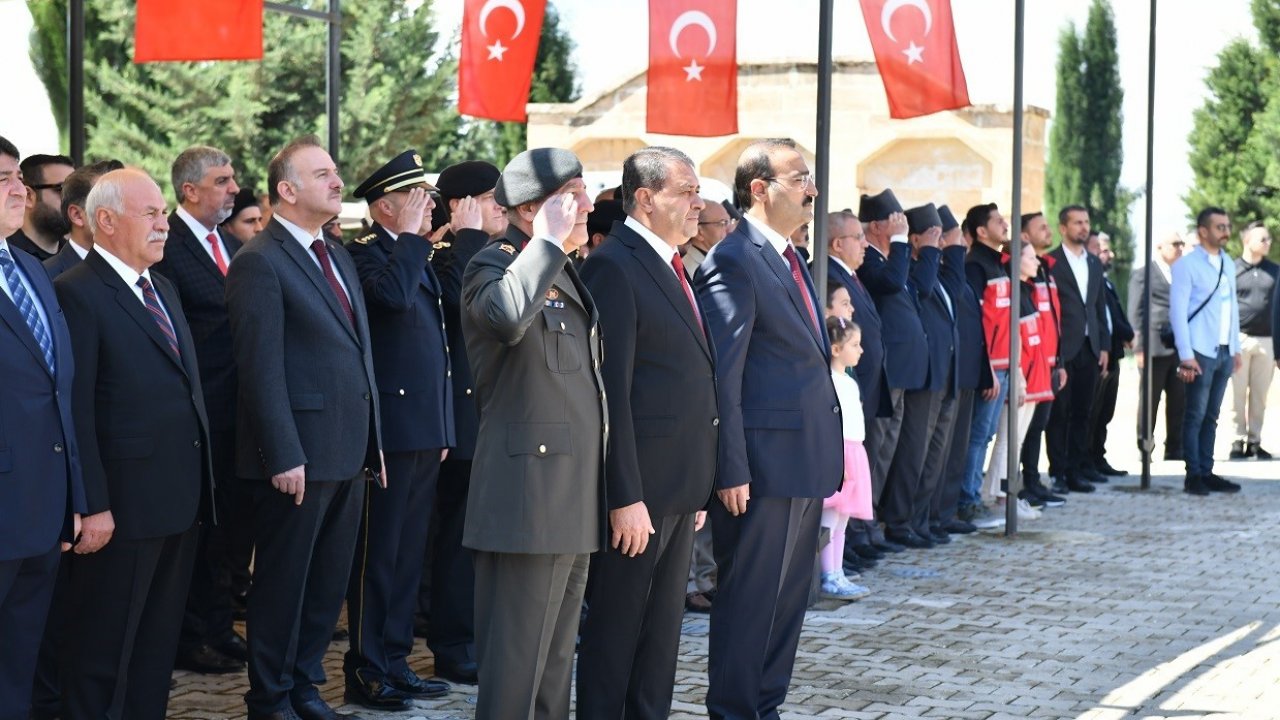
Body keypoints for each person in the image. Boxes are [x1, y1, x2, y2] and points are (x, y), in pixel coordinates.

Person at [225, 136, 384, 720]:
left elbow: (359, 354)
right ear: (286, 190)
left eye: (336, 171)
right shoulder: (260, 261)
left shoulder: (337, 254)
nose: (338, 182)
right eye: (323, 174)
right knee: (284, 585)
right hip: (299, 457)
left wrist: (375, 443)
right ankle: (269, 698)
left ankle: (303, 686)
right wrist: (281, 453)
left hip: (348, 450)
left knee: (325, 587)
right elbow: (259, 370)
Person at [54, 168, 213, 720]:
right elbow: (74, 410)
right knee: (103, 655)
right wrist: (91, 502)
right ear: (105, 220)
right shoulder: (76, 293)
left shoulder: (161, 287)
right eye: (150, 213)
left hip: (175, 504)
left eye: (164, 213)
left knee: (152, 654)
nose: (164, 224)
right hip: (118, 511)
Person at [694, 138, 842, 720]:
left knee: (786, 604)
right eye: (800, 177)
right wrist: (730, 467)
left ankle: (765, 706)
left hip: (800, 460)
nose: (812, 188)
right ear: (759, 188)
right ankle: (734, 710)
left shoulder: (789, 257)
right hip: (760, 468)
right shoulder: (734, 260)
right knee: (750, 602)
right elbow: (722, 378)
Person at [460, 148, 605, 720]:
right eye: (573, 193)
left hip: (569, 496)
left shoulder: (561, 268)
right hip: (527, 502)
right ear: (529, 208)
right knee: (516, 667)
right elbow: (504, 318)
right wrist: (545, 242)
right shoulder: (491, 265)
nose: (588, 204)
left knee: (551, 670)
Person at [576, 146, 718, 720]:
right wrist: (625, 495)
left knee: (661, 639)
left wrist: (697, 484)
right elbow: (611, 393)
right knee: (617, 635)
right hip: (638, 495)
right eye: (685, 191)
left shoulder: (670, 262)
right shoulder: (616, 265)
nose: (697, 203)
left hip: (678, 489)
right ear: (645, 198)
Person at [340, 150, 454, 710]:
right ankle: (364, 667)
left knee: (409, 553)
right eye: (419, 197)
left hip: (422, 428)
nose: (431, 205)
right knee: (377, 555)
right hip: (388, 429)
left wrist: (443, 426)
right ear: (387, 205)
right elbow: (389, 300)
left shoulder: (416, 253)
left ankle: (394, 658)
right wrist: (411, 239)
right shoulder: (364, 254)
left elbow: (437, 352)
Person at [152, 145, 249, 676]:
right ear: (188, 191)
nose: (234, 188)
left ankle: (217, 628)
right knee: (200, 534)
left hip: (236, 415)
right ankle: (192, 637)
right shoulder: (167, 244)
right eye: (223, 180)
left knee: (229, 532)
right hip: (199, 416)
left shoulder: (229, 244)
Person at [0, 136, 83, 720]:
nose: (19, 191)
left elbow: (60, 391)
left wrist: (74, 495)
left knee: (18, 665)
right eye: (2, 178)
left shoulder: (30, 268)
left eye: (18, 179)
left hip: (42, 506)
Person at [423, 159, 507, 686]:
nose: (501, 206)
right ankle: (454, 643)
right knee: (457, 538)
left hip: (495, 417)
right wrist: (469, 234)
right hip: (460, 417)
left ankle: (480, 633)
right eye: (490, 197)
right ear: (461, 205)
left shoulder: (495, 250)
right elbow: (467, 304)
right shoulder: (446, 253)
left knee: (486, 536)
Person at [856, 189, 929, 550]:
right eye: (894, 220)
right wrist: (902, 241)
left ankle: (871, 524)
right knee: (874, 449)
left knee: (885, 451)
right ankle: (861, 527)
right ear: (875, 226)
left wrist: (901, 245)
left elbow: (914, 287)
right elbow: (890, 284)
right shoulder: (869, 257)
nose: (901, 225)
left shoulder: (890, 256)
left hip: (901, 369)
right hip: (885, 371)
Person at [1171, 207, 1243, 496]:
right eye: (1219, 227)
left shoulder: (1227, 262)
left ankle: (1207, 469)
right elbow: (1178, 313)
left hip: (1225, 349)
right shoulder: (1186, 265)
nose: (1225, 231)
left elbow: (1232, 307)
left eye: (1226, 226)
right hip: (1199, 350)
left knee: (1212, 415)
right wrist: (1186, 353)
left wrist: (1235, 347)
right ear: (1203, 231)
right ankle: (1193, 475)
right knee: (1195, 414)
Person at [1045, 205, 1111, 493]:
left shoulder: (1094, 263)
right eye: (1077, 223)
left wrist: (1105, 346)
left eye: (1086, 222)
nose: (1083, 228)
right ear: (1063, 228)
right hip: (1061, 347)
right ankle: (1058, 472)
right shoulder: (1050, 261)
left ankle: (1076, 469)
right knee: (1059, 412)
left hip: (1090, 346)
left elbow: (1098, 307)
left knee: (1084, 411)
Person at [931, 205, 987, 535]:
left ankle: (946, 511)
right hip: (947, 372)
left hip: (963, 371)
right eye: (952, 239)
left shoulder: (958, 275)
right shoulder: (937, 273)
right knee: (941, 450)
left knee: (957, 449)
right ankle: (935, 513)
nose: (959, 246)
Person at [962, 203, 1012, 528]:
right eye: (997, 221)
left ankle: (972, 496)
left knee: (987, 434)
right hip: (990, 367)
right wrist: (988, 369)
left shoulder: (998, 264)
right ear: (981, 231)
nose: (1005, 224)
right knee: (978, 435)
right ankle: (967, 501)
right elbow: (977, 323)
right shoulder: (976, 266)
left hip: (1004, 365)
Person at [1015, 212, 1067, 508]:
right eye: (1042, 228)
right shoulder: (1026, 276)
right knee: (1028, 428)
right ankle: (1025, 484)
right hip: (1032, 364)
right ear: (1024, 236)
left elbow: (1053, 321)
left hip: (1049, 362)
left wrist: (1058, 361)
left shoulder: (1047, 269)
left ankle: (1034, 480)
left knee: (1039, 425)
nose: (1048, 232)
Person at [819, 317, 873, 601]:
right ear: (836, 349)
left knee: (842, 520)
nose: (861, 350)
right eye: (854, 344)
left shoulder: (849, 382)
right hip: (840, 453)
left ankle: (836, 570)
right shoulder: (829, 382)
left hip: (854, 451)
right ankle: (827, 574)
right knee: (830, 518)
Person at [1129, 231, 1186, 461]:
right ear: (1160, 247)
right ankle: (1145, 446)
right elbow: (1135, 311)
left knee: (1179, 399)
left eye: (1182, 244)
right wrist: (1138, 347)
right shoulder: (1144, 274)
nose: (1180, 248)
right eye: (1175, 244)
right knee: (1149, 400)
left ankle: (1174, 447)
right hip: (1154, 346)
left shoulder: (1182, 273)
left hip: (1179, 347)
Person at [1085, 232, 1135, 477]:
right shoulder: (1088, 279)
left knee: (1105, 410)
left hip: (1112, 351)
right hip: (1095, 352)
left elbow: (1115, 314)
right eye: (1102, 249)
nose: (1109, 254)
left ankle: (1097, 455)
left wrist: (1127, 333)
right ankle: (1085, 459)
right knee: (1090, 410)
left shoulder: (1106, 281)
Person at [1231, 221, 1277, 459]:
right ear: (1247, 240)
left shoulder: (1275, 271)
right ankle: (1237, 440)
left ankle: (1255, 440)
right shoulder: (1233, 269)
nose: (1268, 243)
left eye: (1269, 239)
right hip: (1239, 338)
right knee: (1237, 393)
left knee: (1260, 395)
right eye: (1263, 239)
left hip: (1267, 340)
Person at [9, 154, 74, 261]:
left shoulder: (76, 257)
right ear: (28, 196)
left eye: (76, 191)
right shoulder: (8, 257)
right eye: (63, 189)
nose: (73, 199)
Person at [684, 198, 733, 275]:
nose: (730, 229)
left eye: (730, 221)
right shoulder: (691, 272)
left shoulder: (717, 261)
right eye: (723, 222)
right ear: (699, 232)